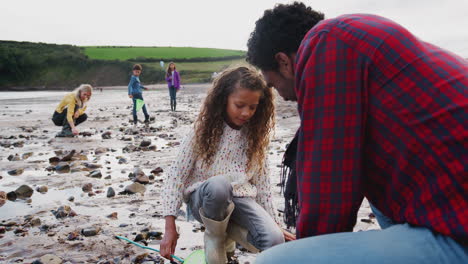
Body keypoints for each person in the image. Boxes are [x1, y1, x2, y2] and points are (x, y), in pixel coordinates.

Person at [246, 2, 468, 263]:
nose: (281, 95)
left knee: (273, 261)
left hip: (458, 231)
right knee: (375, 190)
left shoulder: (326, 45)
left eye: (273, 84)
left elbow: (329, 185)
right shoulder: (357, 31)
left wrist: (309, 249)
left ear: (283, 62)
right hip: (452, 201)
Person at [160, 67, 294, 264]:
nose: (246, 113)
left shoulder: (255, 137)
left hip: (241, 199)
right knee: (219, 186)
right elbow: (176, 175)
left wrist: (276, 225)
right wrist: (169, 227)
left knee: (274, 240)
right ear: (224, 99)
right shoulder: (202, 130)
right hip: (204, 198)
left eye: (253, 107)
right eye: (239, 105)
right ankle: (215, 239)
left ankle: (227, 237)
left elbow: (263, 187)